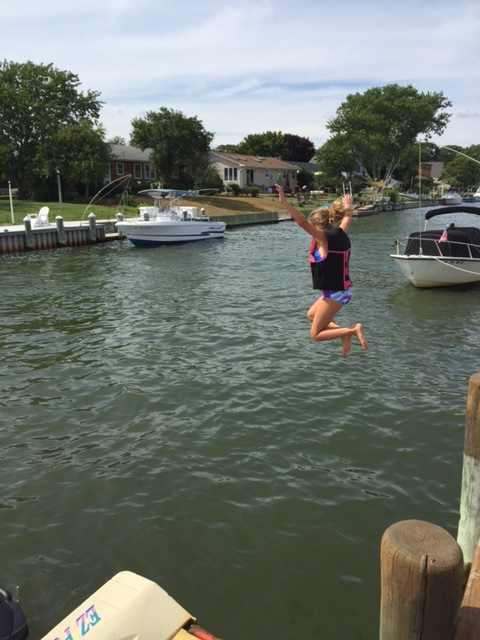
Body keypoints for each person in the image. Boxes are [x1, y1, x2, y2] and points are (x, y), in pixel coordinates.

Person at [276, 184, 368, 356]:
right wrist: (347, 205)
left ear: (318, 227)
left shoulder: (323, 239)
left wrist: (285, 203)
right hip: (339, 291)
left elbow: (302, 222)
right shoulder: (341, 233)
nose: (310, 232)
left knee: (316, 334)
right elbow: (346, 219)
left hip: (336, 293)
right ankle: (344, 333)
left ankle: (352, 330)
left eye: (312, 228)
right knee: (311, 315)